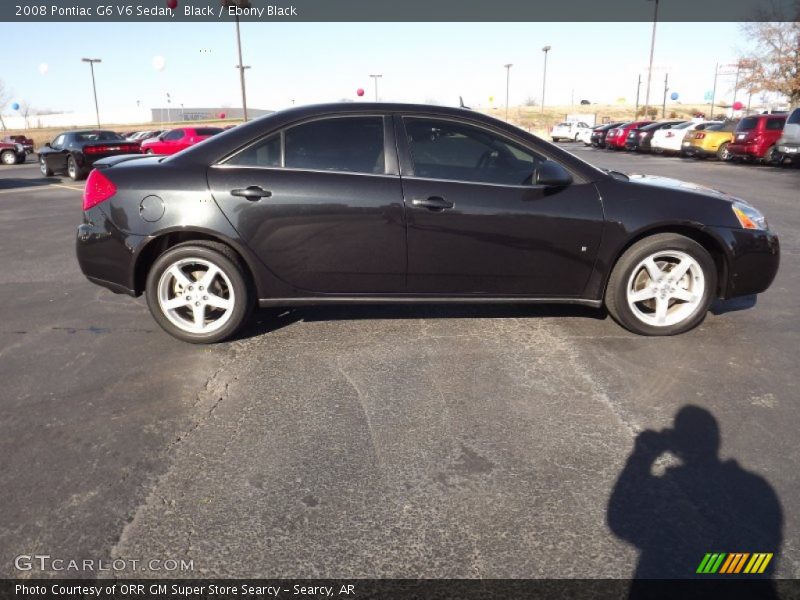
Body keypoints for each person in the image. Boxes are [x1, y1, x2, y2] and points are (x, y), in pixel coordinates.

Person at [608, 406, 782, 599]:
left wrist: (642, 456)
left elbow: (619, 517)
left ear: (677, 445)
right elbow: (760, 562)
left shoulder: (670, 492)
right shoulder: (755, 488)